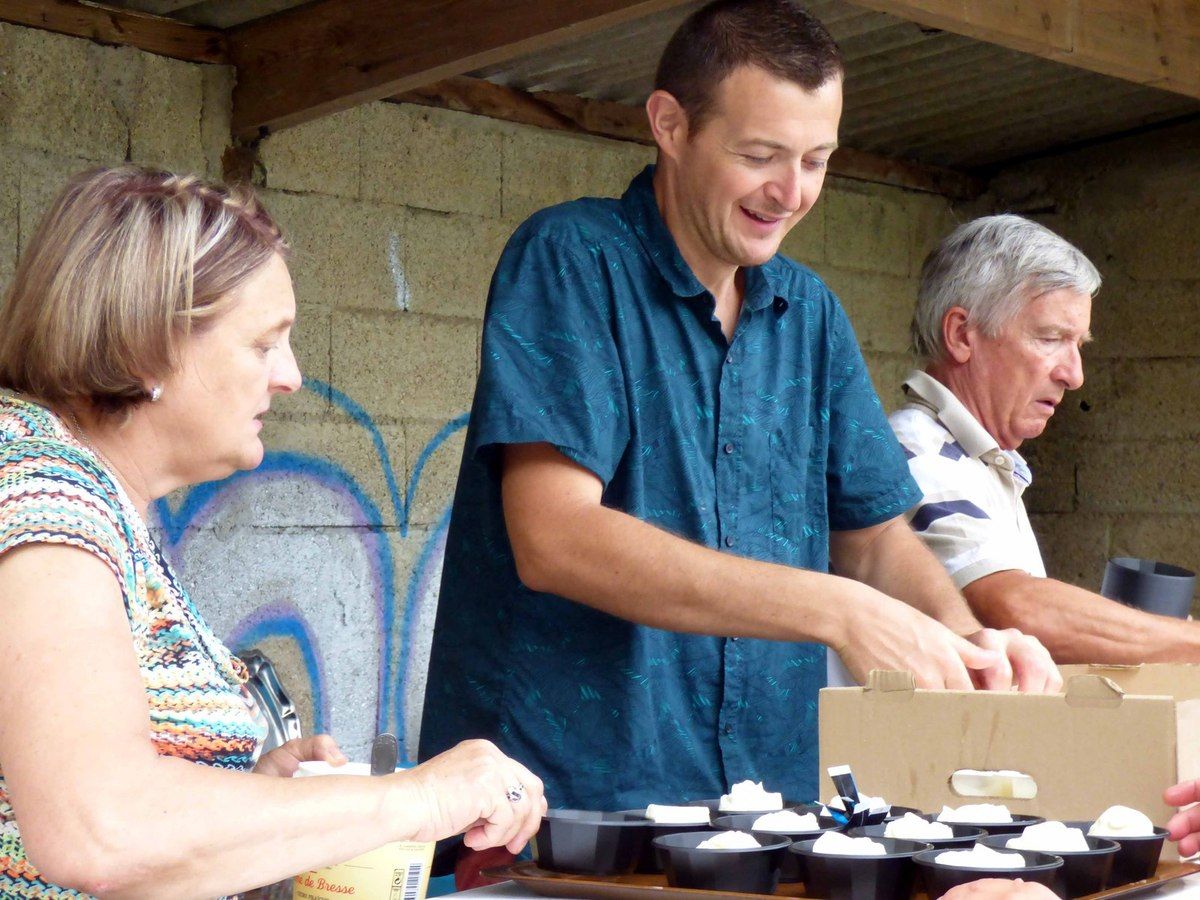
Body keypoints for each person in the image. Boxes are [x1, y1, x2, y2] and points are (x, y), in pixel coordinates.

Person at [419, 0, 1058, 852]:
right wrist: (835, 609)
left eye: (816, 160)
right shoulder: (573, 258)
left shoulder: (813, 315)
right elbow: (554, 536)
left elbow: (873, 541)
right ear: (670, 125)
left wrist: (968, 638)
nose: (789, 192)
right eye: (759, 155)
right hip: (561, 816)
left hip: (764, 814)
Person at [0, 166, 545, 898]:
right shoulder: (40, 491)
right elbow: (100, 829)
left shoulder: (91, 494)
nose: (289, 375)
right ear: (145, 346)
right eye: (263, 344)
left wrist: (258, 792)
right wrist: (417, 798)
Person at [891, 214, 1200, 663]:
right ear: (961, 335)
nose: (1074, 376)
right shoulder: (920, 453)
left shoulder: (984, 460)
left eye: (1079, 346)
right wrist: (1190, 641)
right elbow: (1015, 609)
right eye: (1051, 338)